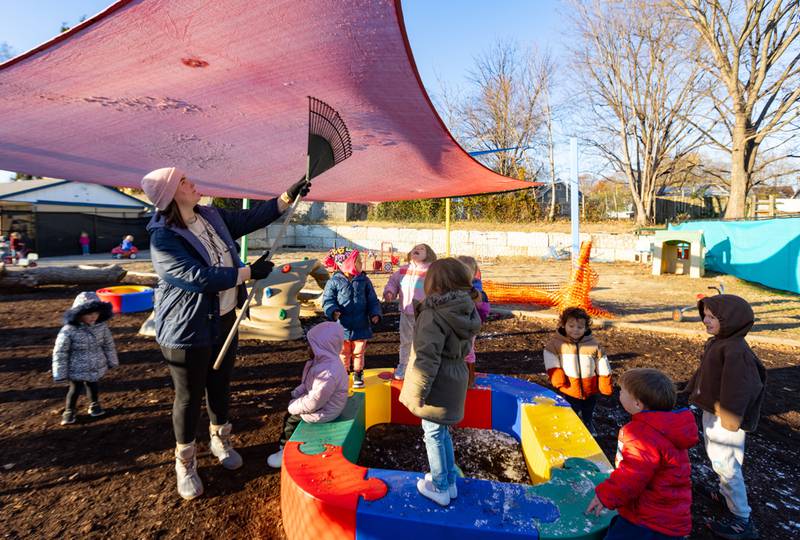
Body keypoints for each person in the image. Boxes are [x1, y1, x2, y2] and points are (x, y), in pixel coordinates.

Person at [142, 166, 309, 500]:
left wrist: (287, 197)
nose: (192, 183)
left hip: (223, 319)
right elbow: (194, 276)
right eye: (184, 182)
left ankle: (220, 439)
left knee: (219, 384)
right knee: (188, 397)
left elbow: (249, 219)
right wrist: (246, 272)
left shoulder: (210, 216)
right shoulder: (164, 236)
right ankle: (185, 461)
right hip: (187, 328)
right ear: (171, 194)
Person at [399, 258, 481, 507]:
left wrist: (416, 393)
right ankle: (450, 480)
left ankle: (439, 486)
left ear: (435, 283)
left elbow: (427, 358)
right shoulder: (465, 307)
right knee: (442, 431)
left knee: (432, 434)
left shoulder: (433, 315)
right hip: (455, 375)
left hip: (437, 381)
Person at [683, 294, 765, 540]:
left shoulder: (735, 351)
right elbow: (703, 373)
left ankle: (741, 518)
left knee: (726, 463)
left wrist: (730, 419)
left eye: (713, 317)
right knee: (718, 457)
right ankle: (726, 495)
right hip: (715, 411)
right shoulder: (719, 343)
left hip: (726, 418)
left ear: (731, 320)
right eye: (705, 315)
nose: (706, 321)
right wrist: (688, 391)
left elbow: (740, 387)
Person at [586, 368, 698, 539]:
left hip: (647, 520)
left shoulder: (641, 434)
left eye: (622, 391)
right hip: (671, 515)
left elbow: (632, 475)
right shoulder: (668, 428)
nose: (619, 394)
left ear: (637, 403)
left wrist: (606, 496)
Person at [266, 321, 349, 468]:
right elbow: (310, 383)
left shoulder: (328, 372)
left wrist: (294, 407)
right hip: (325, 403)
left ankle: (284, 450)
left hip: (326, 411)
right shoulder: (323, 362)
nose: (307, 348)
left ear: (321, 347)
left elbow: (315, 401)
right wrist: (299, 391)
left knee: (291, 419)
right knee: (292, 412)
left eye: (311, 345)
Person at [52, 291, 119, 425]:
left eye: (96, 313)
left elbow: (108, 345)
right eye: (89, 314)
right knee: (75, 389)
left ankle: (94, 404)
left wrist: (112, 361)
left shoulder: (102, 327)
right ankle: (69, 410)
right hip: (76, 367)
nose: (93, 317)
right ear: (79, 314)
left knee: (93, 385)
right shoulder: (69, 330)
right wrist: (60, 372)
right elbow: (60, 352)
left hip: (95, 364)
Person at [543, 307, 612, 435]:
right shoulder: (556, 344)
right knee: (570, 408)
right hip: (569, 386)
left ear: (586, 328)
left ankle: (587, 422)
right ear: (563, 325)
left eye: (580, 327)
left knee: (589, 407)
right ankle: (570, 425)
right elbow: (550, 356)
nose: (575, 330)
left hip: (590, 385)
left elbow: (602, 361)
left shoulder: (593, 344)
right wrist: (557, 375)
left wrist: (604, 380)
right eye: (571, 326)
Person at [322, 247, 381, 389]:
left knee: (359, 352)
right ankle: (343, 374)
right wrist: (333, 311)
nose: (362, 264)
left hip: (361, 324)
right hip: (343, 326)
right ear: (347, 263)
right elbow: (328, 300)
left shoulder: (364, 280)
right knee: (343, 352)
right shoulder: (334, 282)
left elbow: (372, 299)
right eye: (358, 261)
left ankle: (358, 374)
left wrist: (375, 313)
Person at [383, 243, 437, 380]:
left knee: (423, 342)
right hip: (406, 313)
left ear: (429, 254)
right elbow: (393, 283)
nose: (417, 250)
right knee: (406, 341)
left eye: (421, 249)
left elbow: (439, 287)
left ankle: (422, 368)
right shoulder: (402, 270)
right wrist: (389, 292)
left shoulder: (432, 272)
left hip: (425, 314)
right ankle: (403, 365)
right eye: (415, 248)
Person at [456, 255, 490, 388]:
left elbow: (484, 309)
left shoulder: (475, 290)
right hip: (458, 324)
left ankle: (470, 380)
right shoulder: (456, 287)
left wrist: (477, 320)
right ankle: (460, 376)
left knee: (468, 351)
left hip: (468, 326)